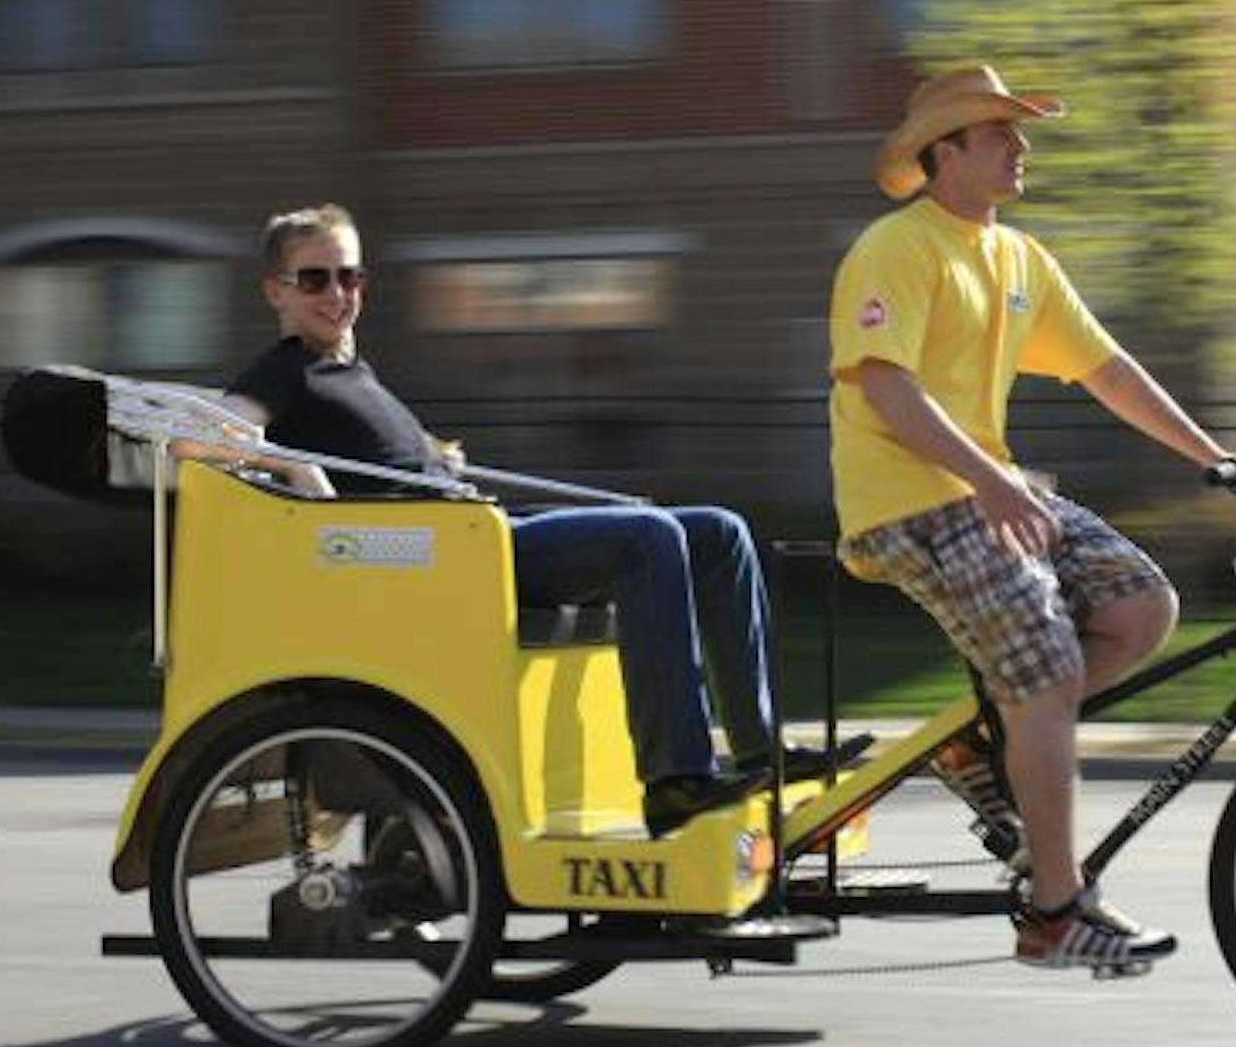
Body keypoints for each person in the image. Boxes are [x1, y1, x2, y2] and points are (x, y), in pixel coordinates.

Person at [224, 204, 866, 838]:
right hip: (453, 560)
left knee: (719, 533)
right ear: (275, 291)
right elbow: (196, 438)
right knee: (650, 540)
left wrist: (432, 451)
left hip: (478, 529)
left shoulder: (352, 370)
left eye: (350, 277)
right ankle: (676, 779)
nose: (337, 293)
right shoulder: (282, 371)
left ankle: (757, 749)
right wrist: (287, 465)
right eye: (315, 279)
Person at [828, 66, 1236, 972]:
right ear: (946, 152)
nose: (1022, 147)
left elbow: (1108, 369)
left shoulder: (1019, 260)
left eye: (1020, 132)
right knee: (1048, 670)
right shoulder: (898, 248)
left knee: (1141, 608)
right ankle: (1057, 910)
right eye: (1000, 133)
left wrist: (1216, 459)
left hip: (985, 488)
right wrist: (993, 481)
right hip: (907, 503)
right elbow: (886, 388)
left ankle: (987, 747)